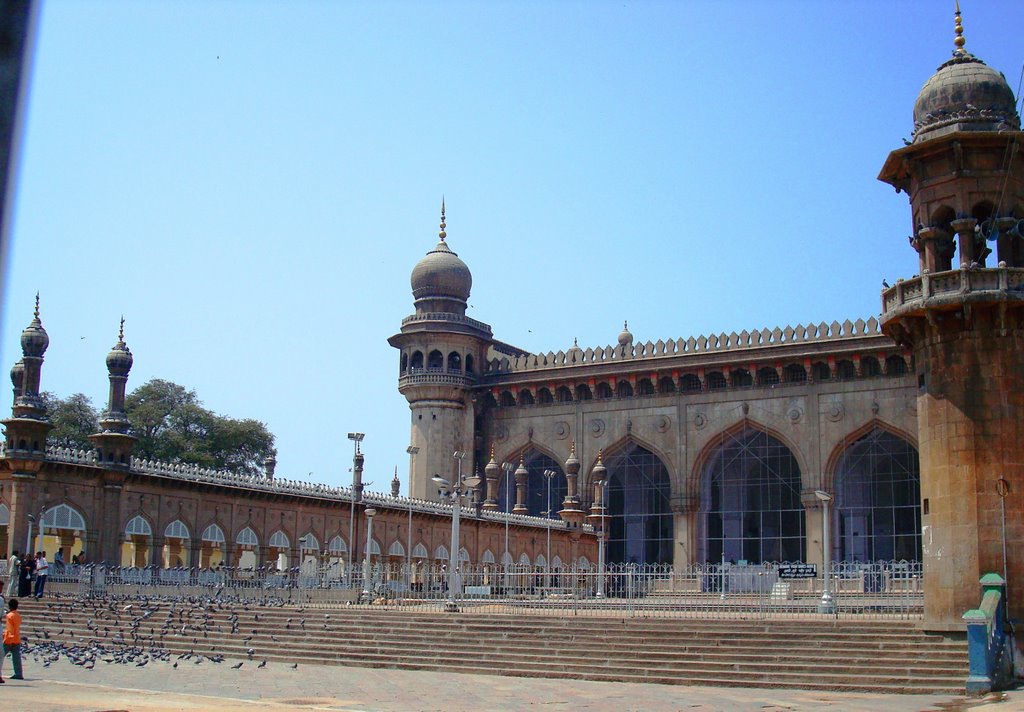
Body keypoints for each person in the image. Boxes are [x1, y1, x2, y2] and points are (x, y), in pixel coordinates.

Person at [0, 598, 23, 682]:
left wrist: (9, 639)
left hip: (9, 639)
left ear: (9, 606)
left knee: (1, 655)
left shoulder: (9, 616)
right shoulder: (18, 615)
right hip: (17, 639)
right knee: (16, 658)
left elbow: (10, 629)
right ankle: (19, 674)